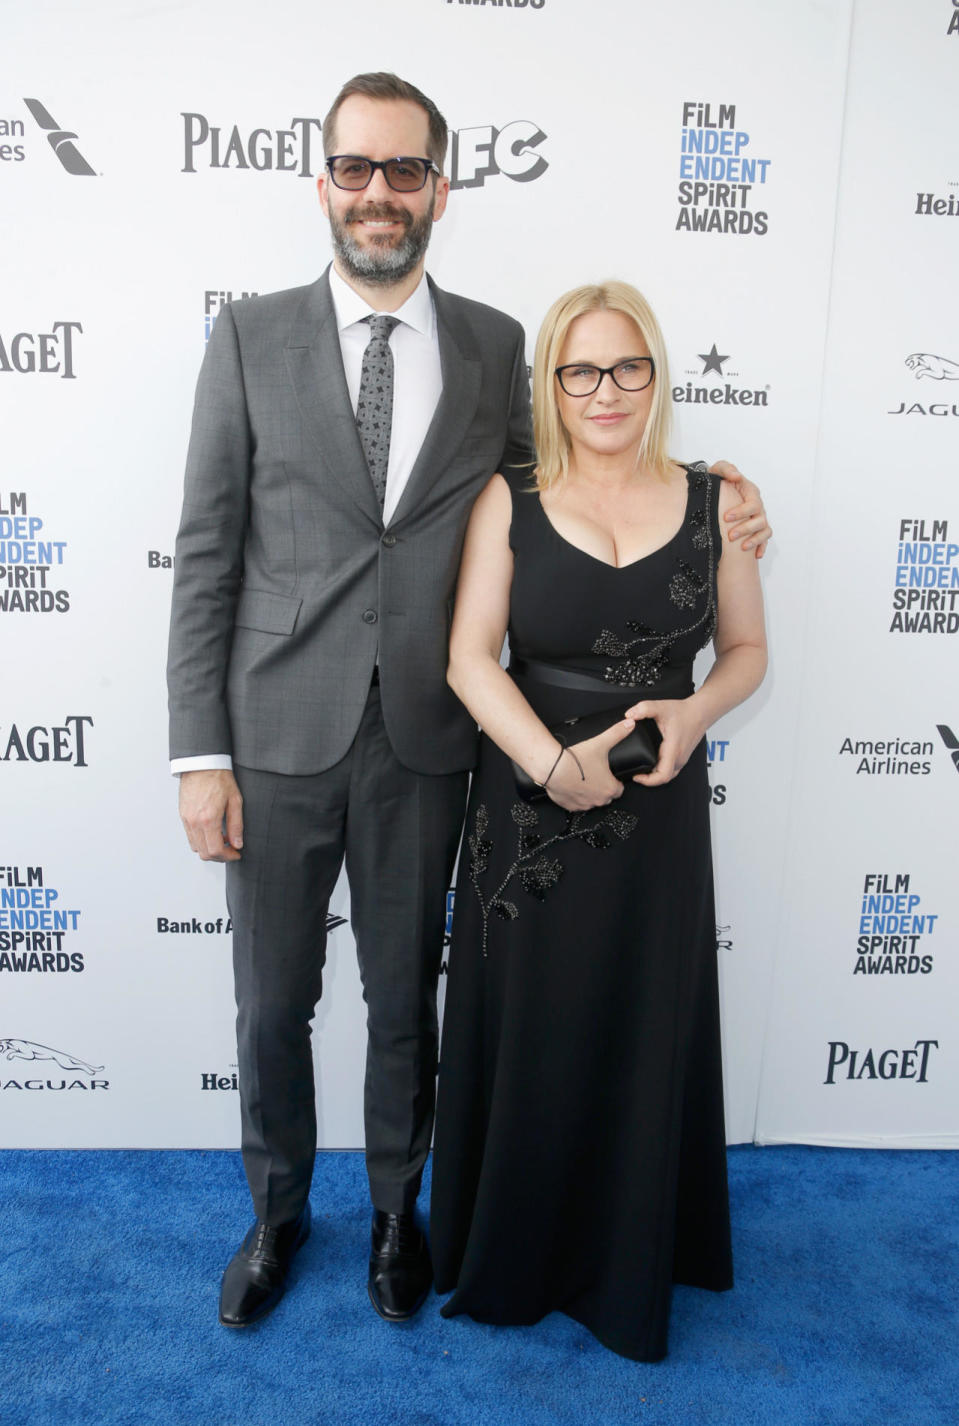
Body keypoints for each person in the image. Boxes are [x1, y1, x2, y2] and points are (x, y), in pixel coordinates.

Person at [167, 72, 772, 1332]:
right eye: (355, 169)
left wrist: (724, 492)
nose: (378, 195)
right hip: (274, 733)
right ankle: (278, 1214)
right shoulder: (246, 339)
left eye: (403, 171)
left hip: (429, 743)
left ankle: (399, 1213)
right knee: (273, 1000)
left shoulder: (501, 346)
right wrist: (199, 753)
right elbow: (206, 551)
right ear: (321, 181)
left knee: (405, 994)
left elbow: (570, 481)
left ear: (440, 187)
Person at [430, 280, 767, 1362]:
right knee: (533, 1021)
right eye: (580, 370)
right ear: (551, 384)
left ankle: (627, 1253)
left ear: (656, 374)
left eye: (627, 366)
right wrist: (545, 763)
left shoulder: (717, 499)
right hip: (527, 813)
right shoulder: (507, 496)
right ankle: (513, 1248)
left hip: (656, 813)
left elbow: (747, 653)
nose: (605, 390)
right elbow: (468, 657)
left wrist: (693, 710)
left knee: (636, 1017)